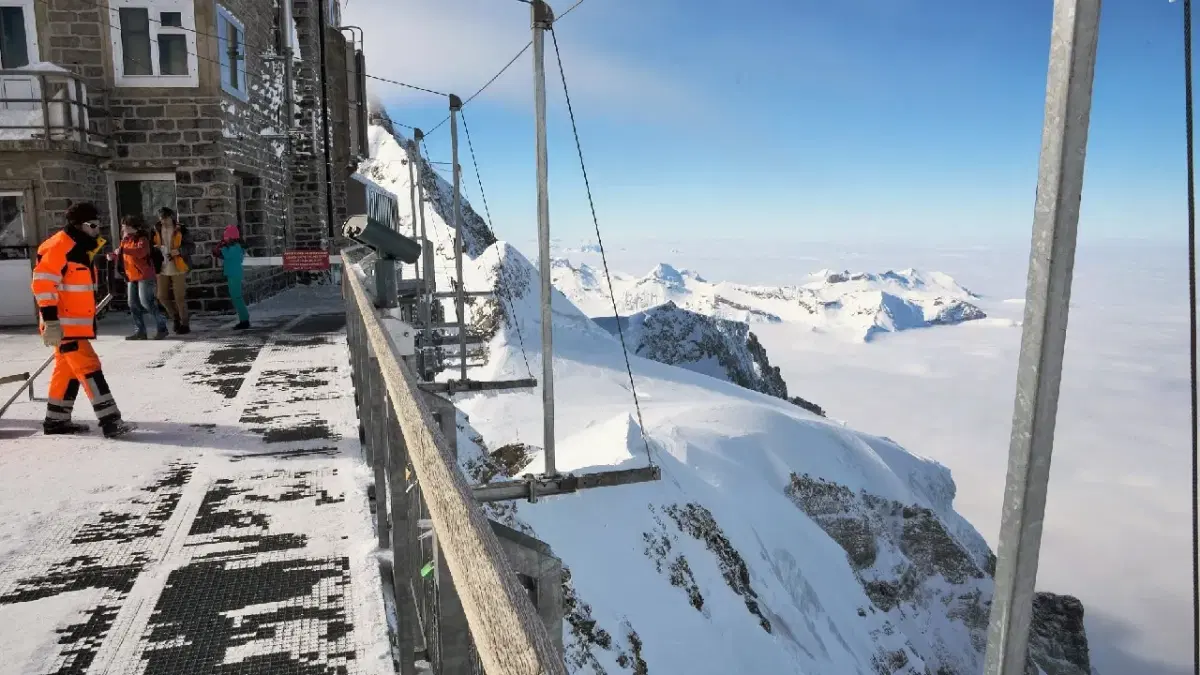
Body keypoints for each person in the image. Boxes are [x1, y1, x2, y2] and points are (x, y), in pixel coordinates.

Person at [31, 202, 135, 438]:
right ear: (79, 225)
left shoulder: (80, 247)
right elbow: (42, 284)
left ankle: (56, 420)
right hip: (63, 324)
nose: (98, 230)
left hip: (74, 323)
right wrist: (51, 321)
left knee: (65, 370)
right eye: (93, 225)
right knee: (89, 366)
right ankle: (110, 420)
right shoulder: (59, 246)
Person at [114, 214, 168, 340]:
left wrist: (123, 251)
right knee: (132, 304)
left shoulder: (143, 239)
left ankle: (162, 327)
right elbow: (124, 255)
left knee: (146, 303)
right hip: (131, 275)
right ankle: (140, 331)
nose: (122, 229)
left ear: (132, 227)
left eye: (124, 226)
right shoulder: (125, 239)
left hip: (145, 275)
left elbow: (141, 253)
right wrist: (114, 255)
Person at [152, 206, 191, 335]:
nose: (163, 221)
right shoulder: (155, 229)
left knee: (179, 297)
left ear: (171, 217)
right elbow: (149, 247)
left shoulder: (181, 229)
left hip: (178, 266)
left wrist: (179, 251)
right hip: (162, 267)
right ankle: (175, 317)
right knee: (161, 296)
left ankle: (185, 324)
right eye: (161, 219)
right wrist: (155, 249)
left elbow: (191, 246)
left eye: (166, 219)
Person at [212, 224, 251, 329]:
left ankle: (244, 319)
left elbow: (227, 256)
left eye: (226, 237)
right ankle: (244, 318)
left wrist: (222, 248)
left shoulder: (234, 248)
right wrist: (221, 249)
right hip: (232, 273)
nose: (225, 239)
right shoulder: (235, 247)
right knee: (235, 297)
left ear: (232, 237)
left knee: (237, 297)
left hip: (234, 274)